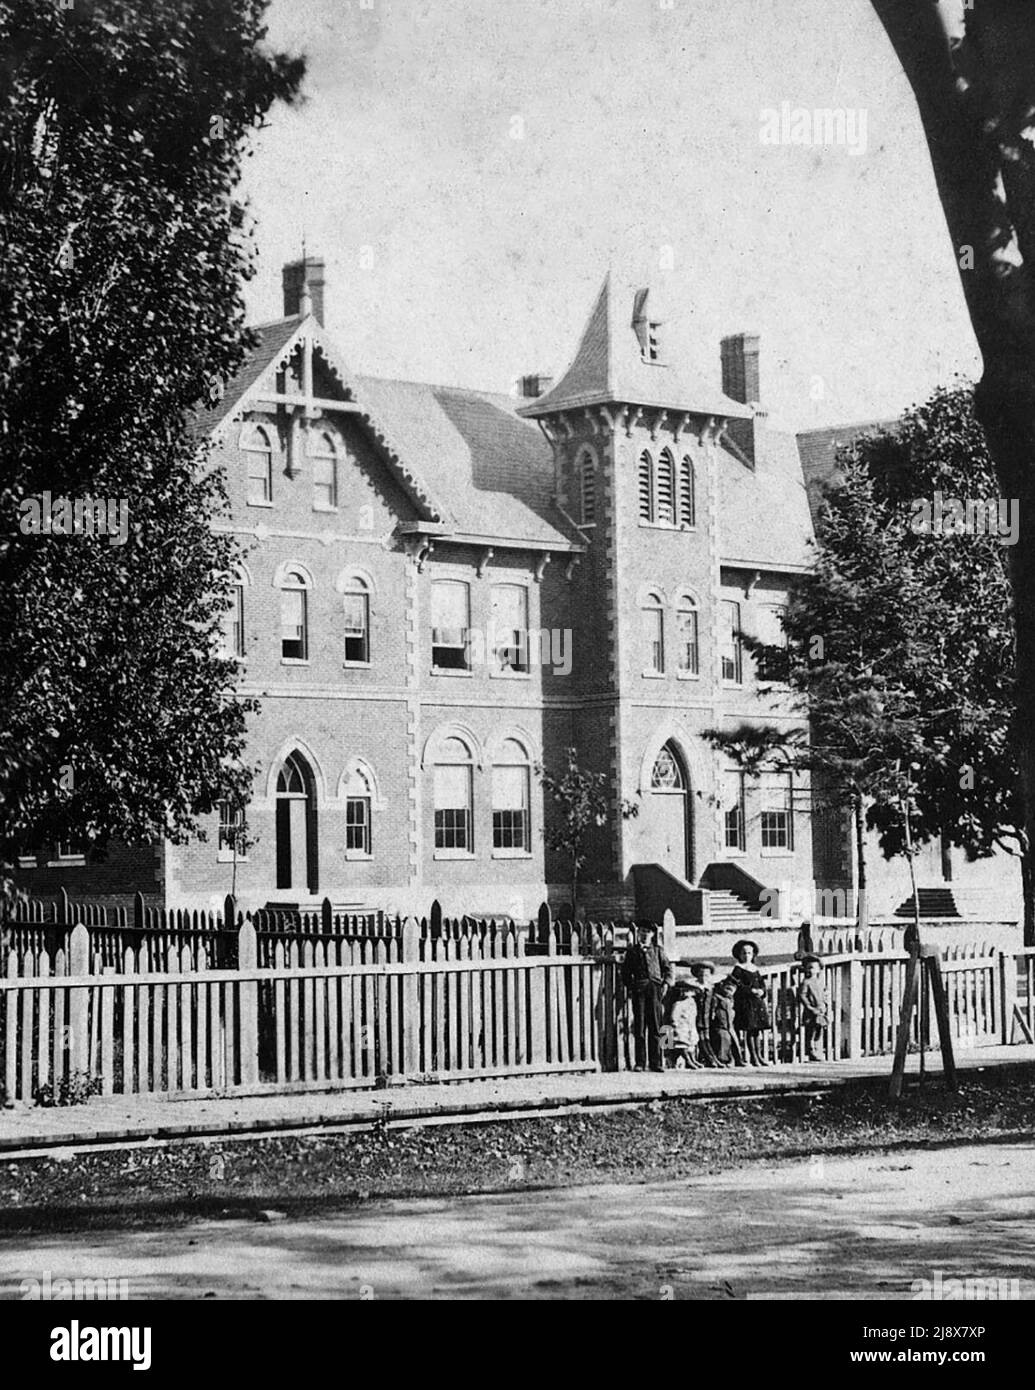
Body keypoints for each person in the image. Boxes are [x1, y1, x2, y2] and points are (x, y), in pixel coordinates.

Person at [622, 922, 674, 1072]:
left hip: (655, 990)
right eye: (642, 931)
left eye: (648, 932)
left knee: (657, 1026)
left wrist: (666, 984)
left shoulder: (658, 951)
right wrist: (632, 987)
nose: (645, 934)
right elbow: (625, 973)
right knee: (639, 1027)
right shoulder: (632, 952)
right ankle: (640, 1062)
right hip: (639, 991)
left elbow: (668, 970)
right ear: (638, 933)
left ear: (652, 935)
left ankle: (656, 1062)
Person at [730, 939, 771, 1067]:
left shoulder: (754, 969)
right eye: (744, 953)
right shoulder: (738, 969)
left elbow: (762, 984)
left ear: (753, 954)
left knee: (756, 1031)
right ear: (739, 954)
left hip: (756, 1003)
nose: (747, 955)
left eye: (749, 953)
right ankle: (753, 1056)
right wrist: (750, 990)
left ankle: (758, 1055)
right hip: (745, 1002)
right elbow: (737, 984)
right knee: (749, 1029)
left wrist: (762, 991)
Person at [662, 977, 702, 1068]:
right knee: (680, 1044)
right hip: (680, 1026)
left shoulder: (691, 1002)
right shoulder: (678, 1004)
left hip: (689, 1025)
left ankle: (692, 1059)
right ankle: (686, 1060)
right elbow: (674, 1016)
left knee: (690, 1043)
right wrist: (675, 1024)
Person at [797, 954, 829, 1061]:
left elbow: (822, 994)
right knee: (811, 1031)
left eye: (813, 967)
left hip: (820, 1010)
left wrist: (825, 1005)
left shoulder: (819, 982)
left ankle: (816, 1048)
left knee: (819, 1030)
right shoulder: (806, 982)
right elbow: (802, 995)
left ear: (819, 969)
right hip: (811, 1011)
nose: (810, 970)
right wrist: (809, 1007)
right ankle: (810, 1050)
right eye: (808, 967)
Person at [689, 960, 721, 1067]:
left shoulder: (710, 988)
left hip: (706, 1017)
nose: (703, 977)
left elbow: (713, 1003)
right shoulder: (696, 989)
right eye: (701, 975)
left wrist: (713, 1012)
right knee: (700, 1038)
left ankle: (713, 1058)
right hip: (696, 1017)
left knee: (707, 1038)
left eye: (706, 975)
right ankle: (709, 1059)